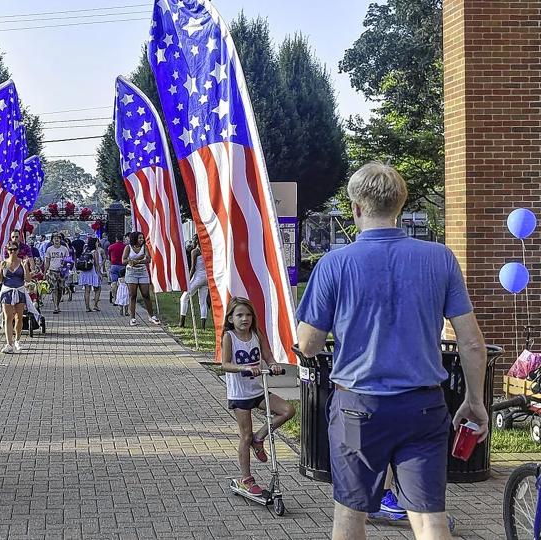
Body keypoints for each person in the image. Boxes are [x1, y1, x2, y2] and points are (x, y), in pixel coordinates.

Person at [295, 162, 488, 540]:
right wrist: (475, 399)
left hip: (358, 409)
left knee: (350, 518)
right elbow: (471, 342)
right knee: (430, 519)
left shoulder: (335, 264)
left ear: (355, 208)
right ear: (400, 205)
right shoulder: (440, 258)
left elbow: (308, 344)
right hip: (423, 406)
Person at [218, 297, 295, 497]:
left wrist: (273, 365)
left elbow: (267, 354)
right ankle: (246, 479)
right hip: (240, 394)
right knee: (245, 435)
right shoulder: (229, 337)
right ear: (231, 318)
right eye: (240, 315)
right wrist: (243, 367)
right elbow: (224, 364)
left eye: (248, 315)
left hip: (257, 390)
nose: (245, 319)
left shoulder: (255, 334)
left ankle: (259, 437)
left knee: (288, 410)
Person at [0, 241, 36, 353]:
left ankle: (17, 340)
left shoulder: (21, 262)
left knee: (19, 317)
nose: (12, 252)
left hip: (19, 291)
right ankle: (9, 344)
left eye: (14, 249)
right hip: (7, 292)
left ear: (18, 250)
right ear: (7, 250)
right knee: (8, 317)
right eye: (10, 249)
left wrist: (25, 267)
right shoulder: (4, 263)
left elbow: (27, 279)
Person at [123, 231, 159, 326]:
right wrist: (131, 261)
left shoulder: (144, 247)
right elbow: (123, 260)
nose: (141, 240)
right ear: (134, 238)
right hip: (131, 273)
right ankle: (132, 318)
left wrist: (137, 261)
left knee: (146, 294)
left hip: (142, 272)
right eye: (139, 238)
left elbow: (148, 259)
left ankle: (151, 316)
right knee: (133, 295)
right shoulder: (128, 247)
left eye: (142, 238)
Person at [179, 242, 210, 329]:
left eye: (193, 240)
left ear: (197, 241)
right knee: (202, 302)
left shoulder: (195, 251)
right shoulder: (208, 250)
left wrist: (188, 281)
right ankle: (203, 325)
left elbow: (192, 268)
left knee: (184, 298)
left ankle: (182, 322)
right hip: (206, 278)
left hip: (198, 277)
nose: (191, 242)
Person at [44, 234, 68, 314]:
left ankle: (58, 304)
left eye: (58, 238)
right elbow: (47, 262)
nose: (56, 240)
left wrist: (66, 269)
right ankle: (55, 307)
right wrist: (45, 272)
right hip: (52, 271)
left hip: (61, 272)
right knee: (54, 289)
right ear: (52, 240)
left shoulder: (64, 249)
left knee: (60, 289)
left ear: (60, 240)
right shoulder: (49, 249)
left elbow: (68, 261)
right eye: (55, 238)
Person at [77, 237, 103, 312]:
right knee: (98, 289)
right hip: (93, 272)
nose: (98, 244)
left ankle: (87, 307)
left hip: (85, 272)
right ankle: (95, 305)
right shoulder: (95, 252)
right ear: (95, 243)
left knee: (87, 290)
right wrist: (100, 274)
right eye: (97, 242)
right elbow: (97, 264)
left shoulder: (85, 250)